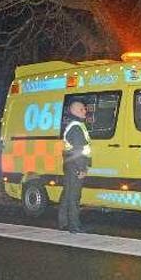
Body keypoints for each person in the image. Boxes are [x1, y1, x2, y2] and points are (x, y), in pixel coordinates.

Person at [58, 99, 92, 234]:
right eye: (82, 109)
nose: (85, 111)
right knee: (74, 196)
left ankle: (63, 222)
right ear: (74, 111)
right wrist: (82, 169)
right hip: (75, 166)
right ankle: (74, 225)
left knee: (67, 194)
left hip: (70, 165)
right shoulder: (76, 127)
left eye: (84, 109)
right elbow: (78, 151)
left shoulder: (74, 125)